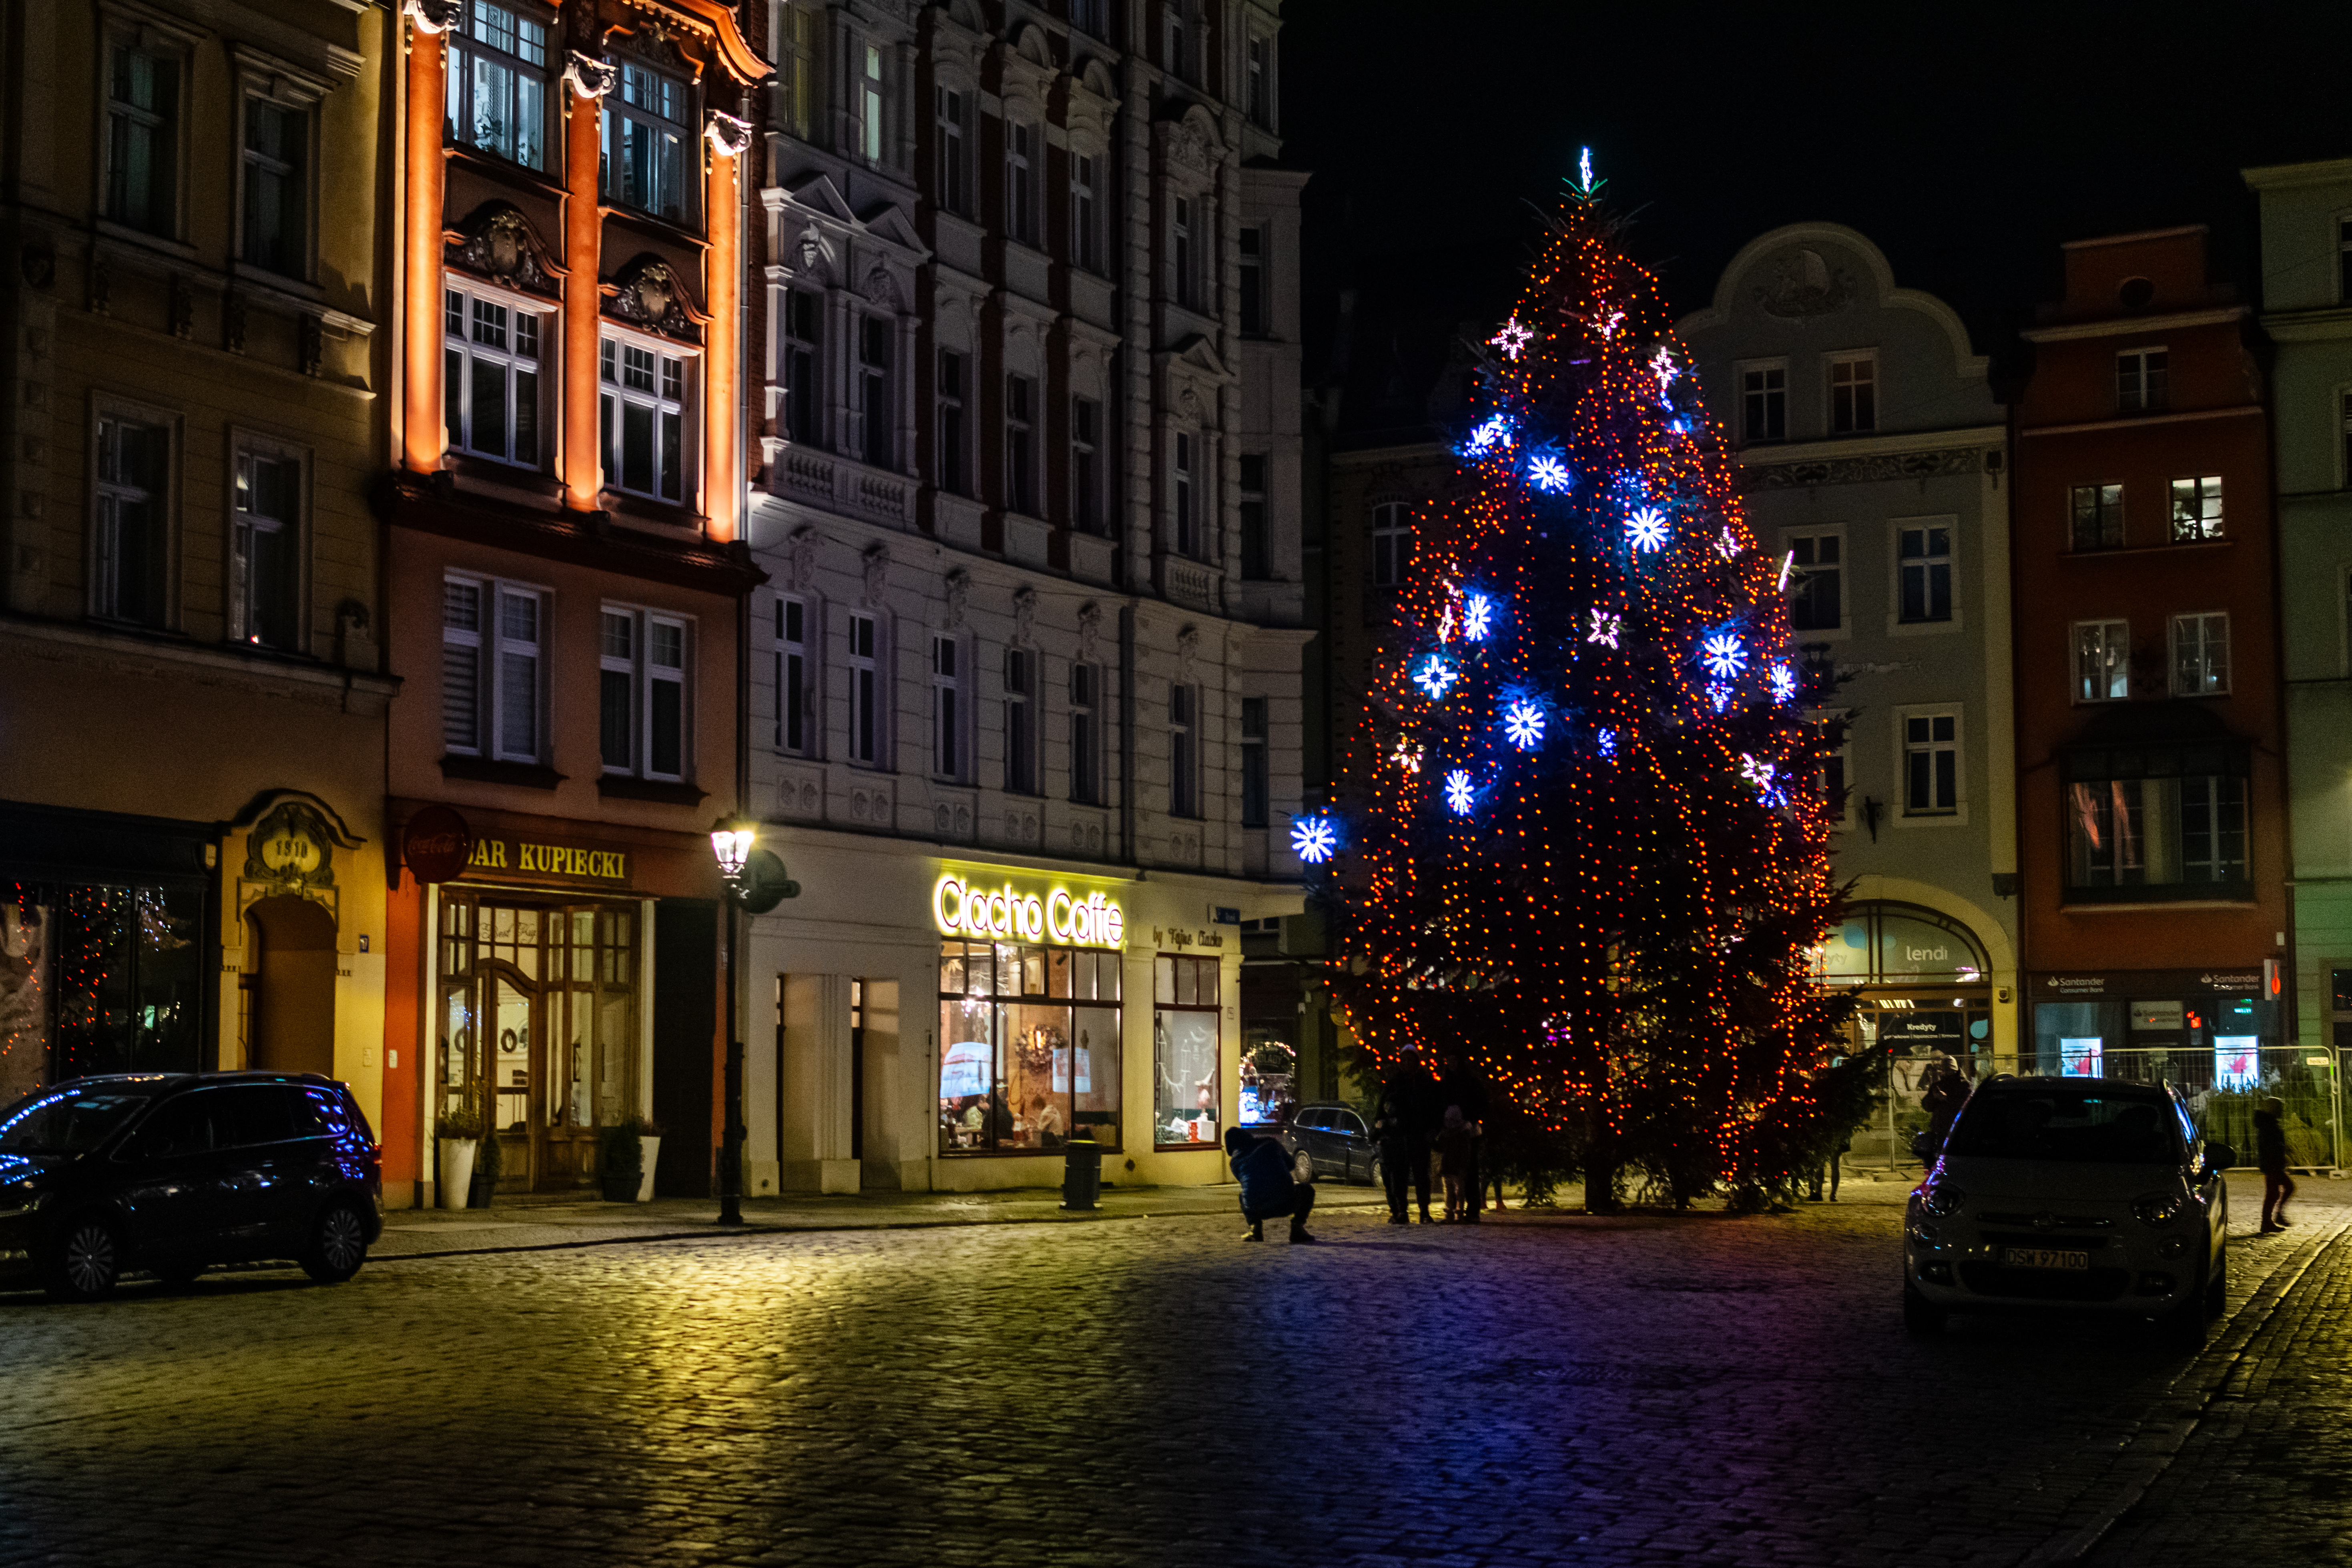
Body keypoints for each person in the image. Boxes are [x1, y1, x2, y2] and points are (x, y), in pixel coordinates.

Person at [1224, 1124, 1316, 1243]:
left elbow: (1248, 1183)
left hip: (1258, 1209)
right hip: (1287, 1202)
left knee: (1244, 1197)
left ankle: (1255, 1230)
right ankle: (1297, 1228)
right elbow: (1291, 1165)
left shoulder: (1235, 1162)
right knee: (1307, 1190)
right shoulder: (1271, 1143)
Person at [1371, 1096, 1414, 1225]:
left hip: (1398, 1158)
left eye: (1391, 1105)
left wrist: (1384, 1128)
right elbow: (1372, 1136)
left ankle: (1402, 1213)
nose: (1388, 1108)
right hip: (1385, 1158)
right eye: (1386, 1105)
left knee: (1398, 1187)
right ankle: (1395, 1212)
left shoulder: (1401, 1120)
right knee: (1389, 1187)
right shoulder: (1383, 1120)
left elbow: (1398, 1133)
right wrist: (1378, 1130)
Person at [1920, 1054, 1969, 1164]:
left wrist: (1946, 1099)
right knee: (1939, 1163)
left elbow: (1967, 1107)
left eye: (1950, 1071)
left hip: (1956, 1132)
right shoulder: (1938, 1086)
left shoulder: (1964, 1086)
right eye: (1945, 1071)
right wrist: (1934, 1098)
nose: (1947, 1073)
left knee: (1954, 1162)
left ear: (1955, 1071)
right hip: (1940, 1132)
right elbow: (1927, 1107)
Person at [2256, 1095, 2295, 1234]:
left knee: (2281, 1190)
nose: (2282, 1111)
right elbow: (2271, 1147)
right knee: (2274, 1193)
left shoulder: (2268, 1124)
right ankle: (2267, 1222)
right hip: (2272, 1165)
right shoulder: (2268, 1126)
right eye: (2280, 1108)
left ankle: (2273, 1218)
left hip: (2274, 1165)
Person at [1435, 1105, 1473, 1221]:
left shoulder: (1461, 1135)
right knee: (1450, 1192)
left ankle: (1458, 1214)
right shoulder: (1447, 1134)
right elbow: (1441, 1148)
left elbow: (1464, 1153)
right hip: (1448, 1168)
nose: (1449, 1123)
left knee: (1458, 1192)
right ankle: (1450, 1214)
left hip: (1456, 1168)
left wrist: (1463, 1167)